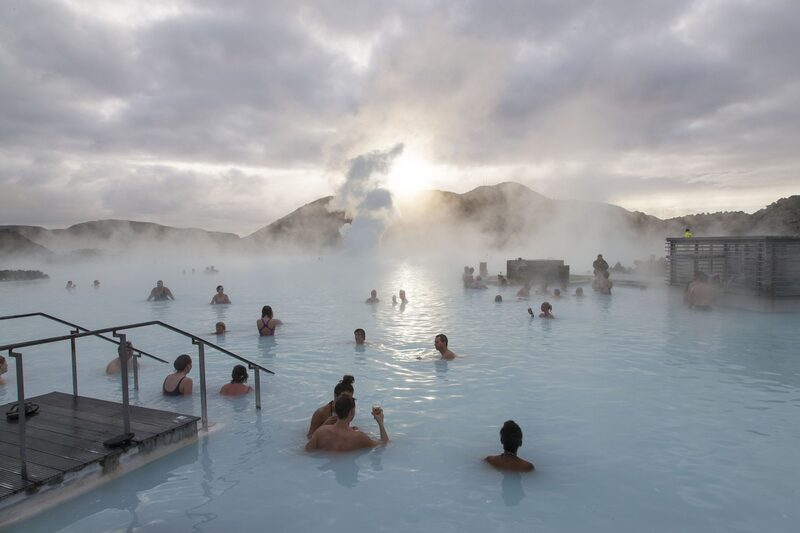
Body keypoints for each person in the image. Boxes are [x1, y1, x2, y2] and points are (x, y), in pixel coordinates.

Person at [305, 395, 389, 452]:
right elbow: (384, 443)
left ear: (336, 411)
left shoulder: (321, 432)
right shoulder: (359, 437)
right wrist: (380, 422)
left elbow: (306, 452)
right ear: (351, 412)